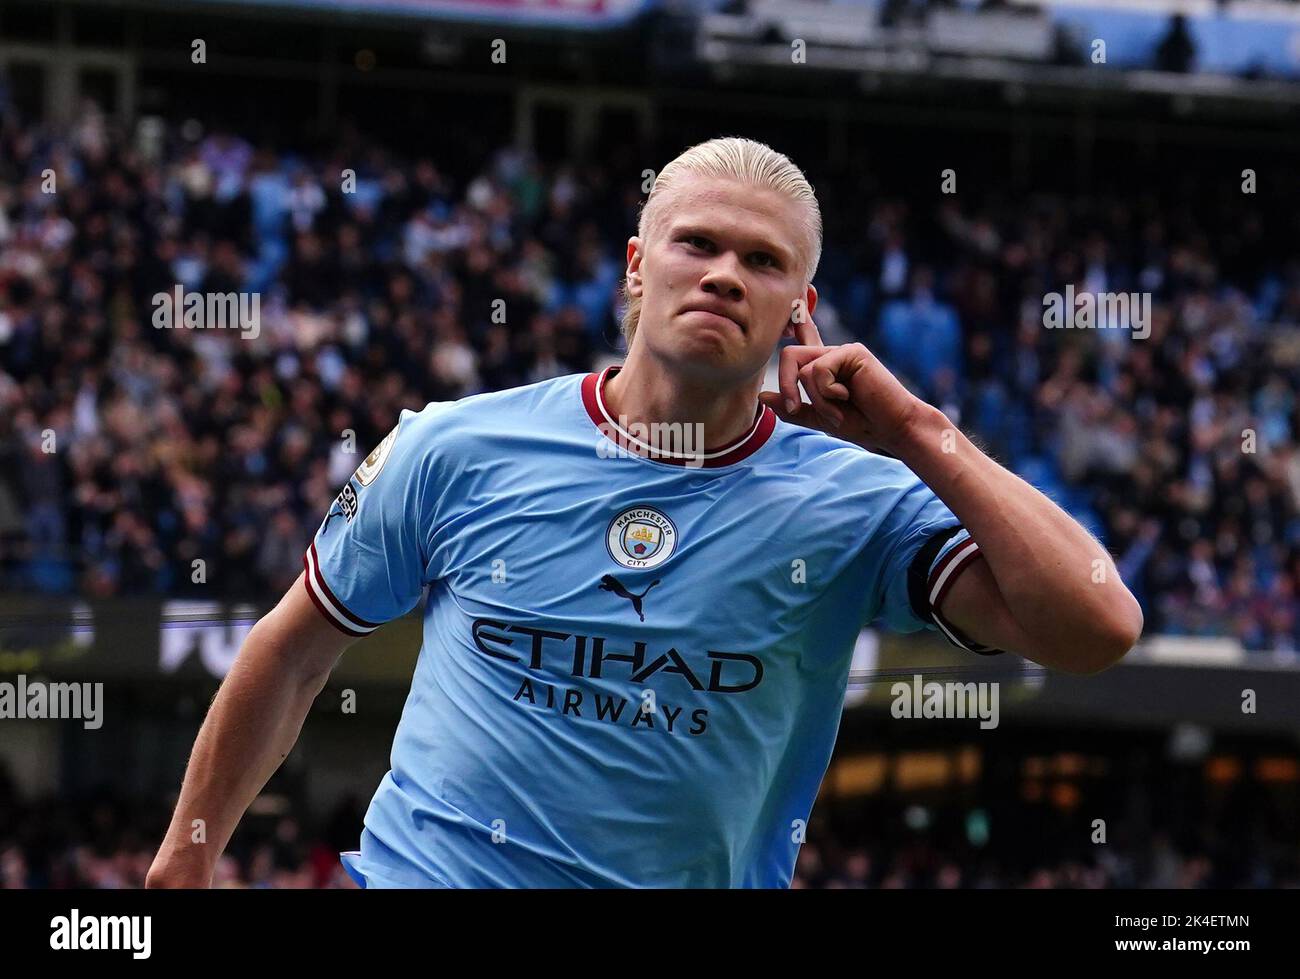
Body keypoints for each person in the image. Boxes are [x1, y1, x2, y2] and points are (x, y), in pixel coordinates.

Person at [147, 137, 1142, 889]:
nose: (722, 272)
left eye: (762, 261)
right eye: (696, 243)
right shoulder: (453, 447)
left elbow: (1097, 627)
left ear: (801, 306)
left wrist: (921, 433)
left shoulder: (857, 502)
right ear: (636, 265)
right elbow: (289, 651)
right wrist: (184, 859)